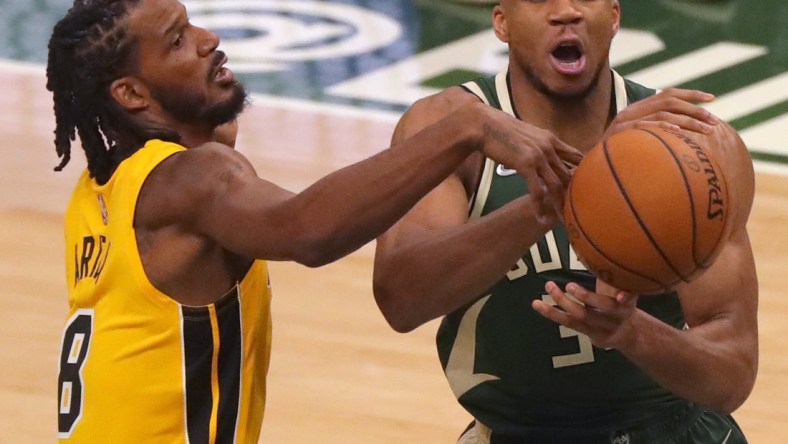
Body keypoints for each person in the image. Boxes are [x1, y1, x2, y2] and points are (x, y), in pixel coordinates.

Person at [47, 0, 583, 442]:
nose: (208, 38)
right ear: (133, 94)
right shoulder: (194, 180)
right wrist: (462, 129)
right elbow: (307, 231)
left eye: (191, 23)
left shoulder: (102, 188)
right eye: (178, 40)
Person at [373, 1, 758, 443]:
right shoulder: (450, 127)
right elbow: (401, 301)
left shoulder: (687, 143)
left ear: (614, 17)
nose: (566, 11)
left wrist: (632, 332)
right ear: (502, 22)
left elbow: (733, 374)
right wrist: (565, 193)